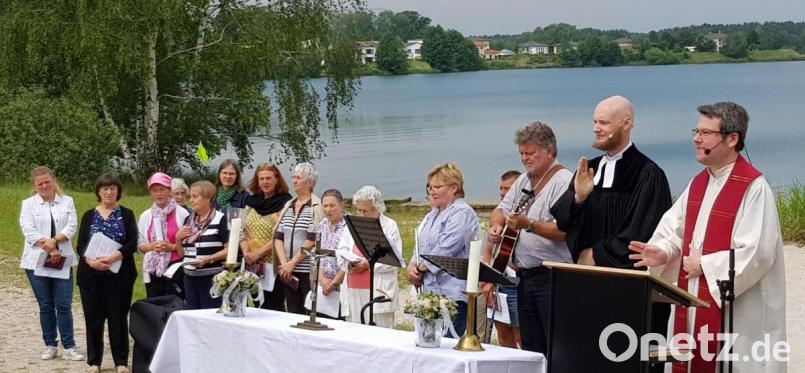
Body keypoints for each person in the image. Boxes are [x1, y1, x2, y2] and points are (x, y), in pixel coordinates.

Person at [629, 102, 786, 373]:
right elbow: (674, 231)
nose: (695, 138)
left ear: (732, 138)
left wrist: (705, 266)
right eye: (696, 131)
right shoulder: (698, 184)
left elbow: (757, 253)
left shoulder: (754, 189)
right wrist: (664, 253)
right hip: (692, 307)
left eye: (705, 133)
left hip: (737, 314)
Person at [551, 95, 672, 269]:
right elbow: (563, 224)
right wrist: (579, 199)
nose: (596, 129)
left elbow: (642, 231)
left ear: (626, 123)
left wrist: (597, 255)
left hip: (625, 278)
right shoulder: (589, 168)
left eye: (603, 123)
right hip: (585, 272)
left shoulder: (646, 172)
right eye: (594, 122)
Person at [488, 123, 573, 354]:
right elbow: (499, 211)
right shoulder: (523, 181)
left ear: (549, 150)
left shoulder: (564, 181)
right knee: (530, 347)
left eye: (530, 153)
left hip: (552, 276)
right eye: (522, 154)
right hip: (525, 277)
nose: (525, 159)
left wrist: (530, 225)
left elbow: (566, 232)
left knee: (555, 346)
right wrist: (497, 226)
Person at [19, 166, 85, 362]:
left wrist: (55, 241)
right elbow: (28, 229)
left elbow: (72, 225)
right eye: (40, 184)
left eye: (47, 182)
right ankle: (50, 344)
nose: (44, 186)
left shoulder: (67, 201)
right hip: (36, 261)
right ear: (35, 186)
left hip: (61, 259)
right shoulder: (28, 204)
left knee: (63, 304)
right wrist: (48, 247)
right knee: (46, 305)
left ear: (53, 181)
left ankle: (69, 346)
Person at [407, 163, 479, 336]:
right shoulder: (432, 214)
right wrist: (411, 265)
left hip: (452, 293)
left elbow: (447, 248)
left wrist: (421, 267)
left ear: (454, 187)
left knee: (448, 343)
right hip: (430, 294)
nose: (432, 191)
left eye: (438, 187)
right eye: (430, 187)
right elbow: (420, 245)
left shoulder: (462, 213)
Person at [76, 174, 138, 373]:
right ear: (98, 192)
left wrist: (113, 257)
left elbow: (132, 242)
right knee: (93, 319)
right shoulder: (88, 215)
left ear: (118, 191)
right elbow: (81, 245)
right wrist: (91, 261)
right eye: (105, 188)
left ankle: (121, 361)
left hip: (118, 274)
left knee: (117, 318)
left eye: (113, 188)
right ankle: (94, 362)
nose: (109, 192)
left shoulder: (127, 215)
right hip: (91, 275)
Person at [337, 186, 404, 327]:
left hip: (378, 289)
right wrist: (349, 263)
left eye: (365, 211)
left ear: (377, 208)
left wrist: (368, 264)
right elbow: (341, 250)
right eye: (359, 210)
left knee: (380, 333)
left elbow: (393, 259)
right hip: (353, 287)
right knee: (354, 331)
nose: (361, 214)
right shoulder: (352, 224)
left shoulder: (389, 226)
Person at [240, 163, 292, 311]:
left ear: (277, 180)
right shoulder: (251, 202)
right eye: (261, 178)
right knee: (253, 307)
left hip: (273, 265)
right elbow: (240, 229)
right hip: (251, 264)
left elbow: (282, 235)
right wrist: (247, 254)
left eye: (268, 178)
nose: (265, 182)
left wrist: (258, 253)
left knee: (273, 307)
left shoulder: (286, 203)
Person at [273, 162, 324, 314]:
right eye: (293, 177)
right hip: (288, 271)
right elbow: (278, 236)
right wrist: (284, 264)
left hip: (307, 270)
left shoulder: (316, 206)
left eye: (298, 178)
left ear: (310, 183)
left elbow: (312, 239)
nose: (294, 180)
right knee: (293, 312)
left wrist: (293, 263)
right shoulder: (289, 204)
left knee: (309, 311)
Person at [481, 170, 522, 348]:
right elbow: (488, 251)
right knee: (503, 335)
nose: (503, 193)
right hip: (499, 282)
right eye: (501, 188)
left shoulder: (522, 215)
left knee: (521, 335)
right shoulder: (498, 214)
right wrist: (487, 281)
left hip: (516, 283)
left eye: (508, 188)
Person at [176, 180, 230, 310]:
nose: (191, 200)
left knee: (210, 316)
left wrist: (208, 259)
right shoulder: (188, 220)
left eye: (195, 196)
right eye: (190, 197)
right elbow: (182, 254)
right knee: (193, 317)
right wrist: (177, 239)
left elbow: (229, 250)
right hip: (189, 278)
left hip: (211, 279)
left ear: (208, 198)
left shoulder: (221, 219)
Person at [137, 172, 190, 298]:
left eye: (162, 189)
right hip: (152, 270)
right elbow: (140, 246)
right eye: (154, 190)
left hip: (176, 268)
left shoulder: (182, 213)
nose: (159, 194)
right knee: (154, 309)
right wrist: (152, 246)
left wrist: (171, 247)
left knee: (175, 306)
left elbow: (189, 246)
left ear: (170, 191)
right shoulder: (146, 216)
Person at [315, 189, 348, 320]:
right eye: (325, 206)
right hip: (322, 284)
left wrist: (333, 283)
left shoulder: (348, 227)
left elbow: (348, 258)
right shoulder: (322, 224)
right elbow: (317, 254)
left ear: (341, 205)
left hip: (341, 285)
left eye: (332, 206)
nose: (328, 210)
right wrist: (322, 280)